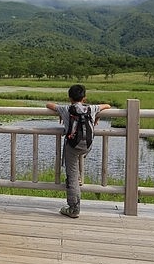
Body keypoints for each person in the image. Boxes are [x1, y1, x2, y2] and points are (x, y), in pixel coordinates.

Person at [46, 84, 110, 218]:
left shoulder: (66, 109)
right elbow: (107, 106)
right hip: (87, 146)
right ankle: (79, 175)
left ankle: (74, 208)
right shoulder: (91, 108)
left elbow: (49, 105)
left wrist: (62, 115)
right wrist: (97, 116)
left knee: (72, 175)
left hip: (73, 147)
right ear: (84, 98)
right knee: (79, 157)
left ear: (70, 98)